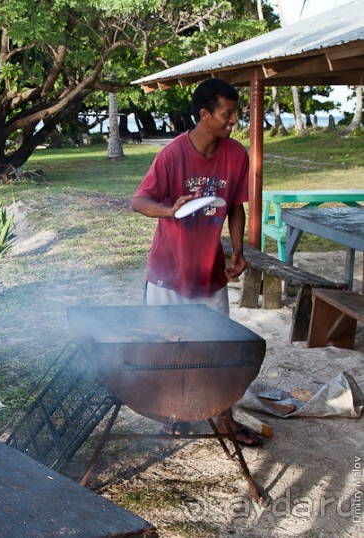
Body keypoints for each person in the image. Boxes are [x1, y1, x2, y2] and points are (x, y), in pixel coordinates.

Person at [130, 77, 263, 447]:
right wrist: (167, 211)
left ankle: (224, 419)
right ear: (204, 115)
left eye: (235, 113)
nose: (233, 120)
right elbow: (139, 202)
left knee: (218, 348)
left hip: (210, 274)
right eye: (228, 113)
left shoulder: (235, 155)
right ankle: (171, 414)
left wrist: (237, 249)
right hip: (167, 275)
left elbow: (235, 206)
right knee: (167, 347)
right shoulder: (172, 155)